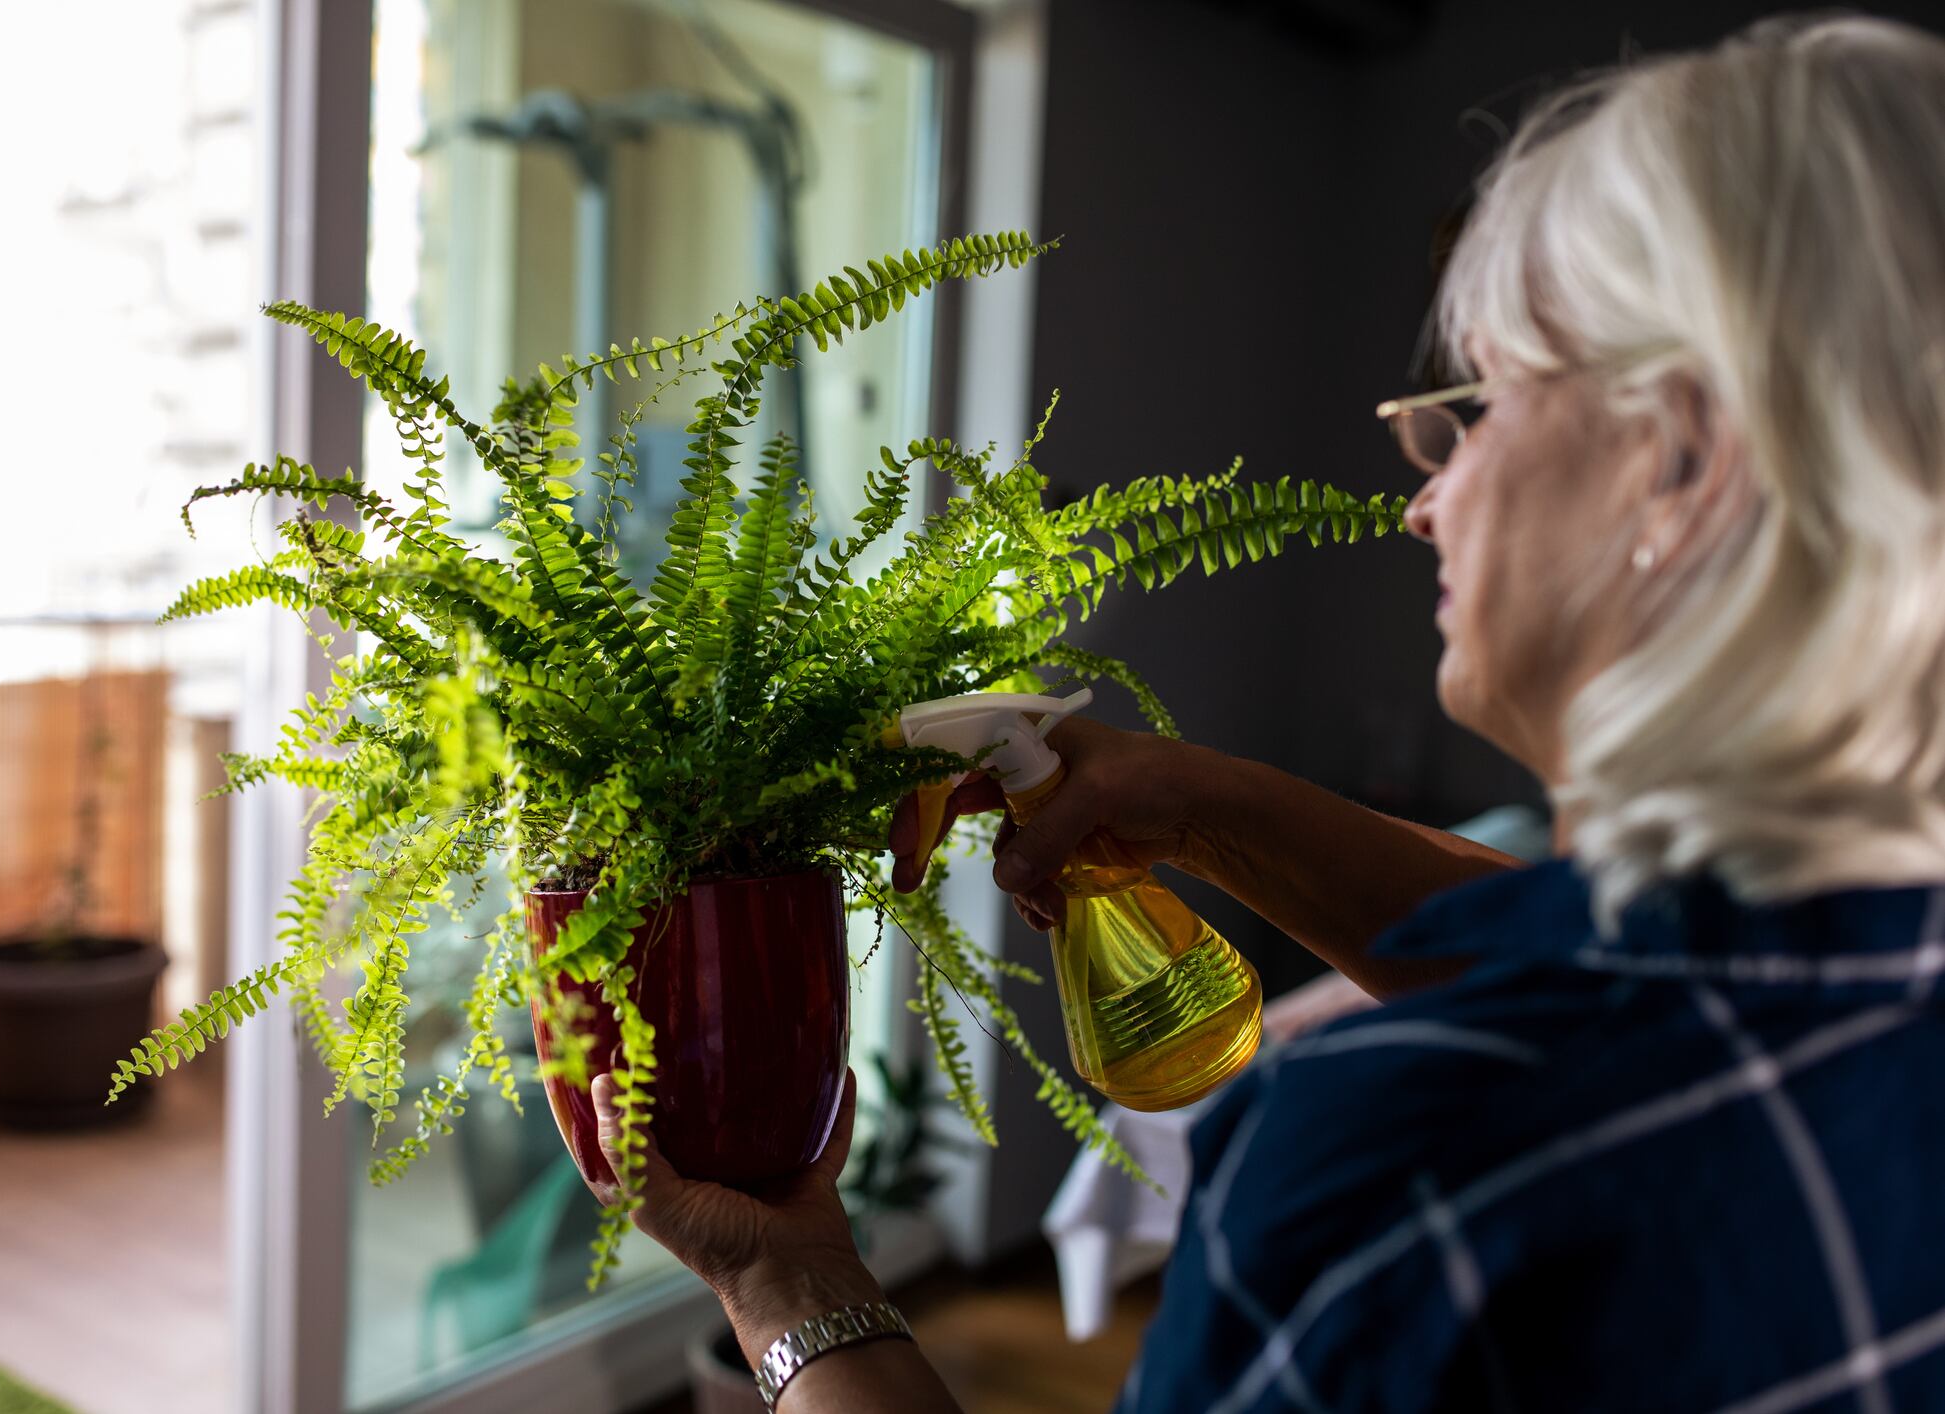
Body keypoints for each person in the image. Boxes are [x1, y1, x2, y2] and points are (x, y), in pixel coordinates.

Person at [587, 14, 1945, 1410]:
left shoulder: (1409, 1162)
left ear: (1678, 459)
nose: (1426, 491)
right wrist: (1212, 806)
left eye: (1475, 405)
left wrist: (786, 1279)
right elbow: (1625, 961)